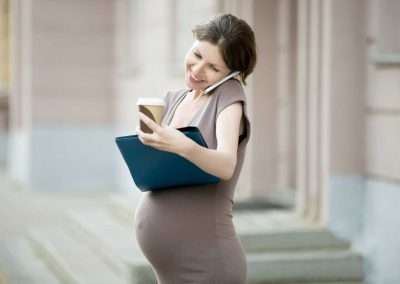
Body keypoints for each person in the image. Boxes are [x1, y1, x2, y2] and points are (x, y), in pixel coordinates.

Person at [135, 13, 257, 284]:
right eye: (197, 54)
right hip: (171, 269)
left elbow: (226, 164)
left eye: (213, 67)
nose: (198, 69)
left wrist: (184, 146)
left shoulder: (228, 98)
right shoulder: (174, 99)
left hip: (207, 266)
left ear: (233, 75)